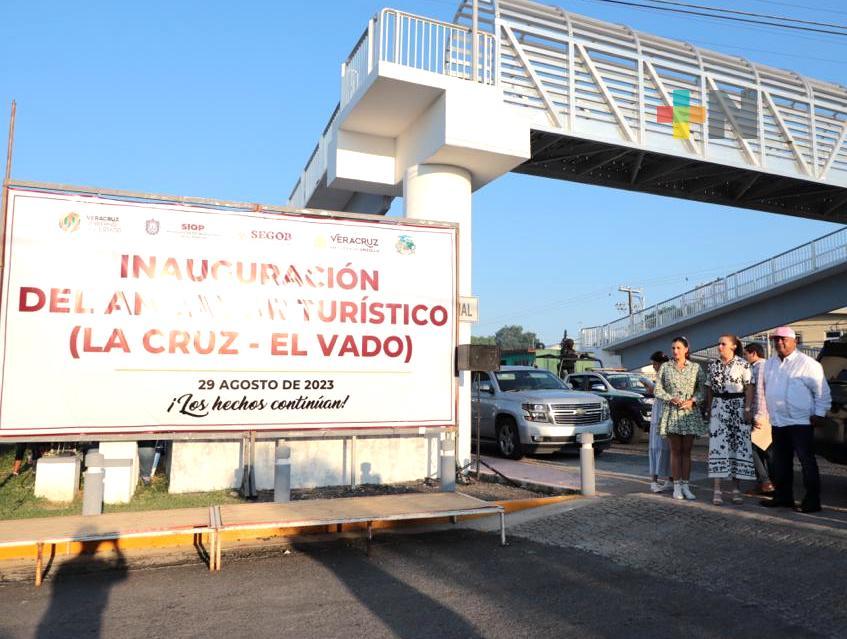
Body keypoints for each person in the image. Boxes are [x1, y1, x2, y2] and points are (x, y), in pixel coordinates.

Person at [760, 327, 831, 513]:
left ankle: (812, 501)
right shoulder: (770, 364)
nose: (779, 342)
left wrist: (820, 413)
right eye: (776, 339)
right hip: (778, 421)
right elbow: (765, 388)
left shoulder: (808, 363)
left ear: (795, 341)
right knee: (781, 462)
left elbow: (822, 392)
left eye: (783, 339)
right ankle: (783, 497)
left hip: (801, 422)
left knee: (806, 462)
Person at [654, 336, 707, 500]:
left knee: (687, 451)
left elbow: (702, 390)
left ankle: (686, 486)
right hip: (672, 412)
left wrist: (693, 401)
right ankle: (676, 486)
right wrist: (671, 398)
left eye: (678, 348)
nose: (675, 351)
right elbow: (657, 390)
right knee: (675, 451)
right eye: (673, 348)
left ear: (686, 349)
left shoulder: (696, 368)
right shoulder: (666, 367)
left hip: (689, 413)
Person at [704, 335, 755, 505]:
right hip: (719, 408)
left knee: (736, 447)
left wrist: (747, 409)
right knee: (717, 448)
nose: (719, 346)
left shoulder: (743, 364)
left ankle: (735, 490)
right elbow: (709, 388)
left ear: (733, 346)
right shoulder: (713, 365)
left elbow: (749, 388)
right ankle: (717, 489)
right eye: (718, 343)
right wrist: (709, 409)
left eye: (723, 344)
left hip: (737, 408)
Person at [744, 342, 775, 495]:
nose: (745, 357)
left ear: (754, 353)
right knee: (764, 450)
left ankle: (766, 482)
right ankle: (768, 484)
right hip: (767, 415)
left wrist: (756, 415)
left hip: (761, 414)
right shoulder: (765, 366)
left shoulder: (759, 367)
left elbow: (760, 393)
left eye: (746, 354)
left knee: (754, 449)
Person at [644, 351, 673, 492]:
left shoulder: (669, 375)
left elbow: (665, 393)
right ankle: (654, 481)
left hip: (666, 411)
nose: (654, 367)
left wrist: (653, 389)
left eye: (656, 364)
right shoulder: (662, 375)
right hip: (659, 411)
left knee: (667, 446)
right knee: (656, 445)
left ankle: (669, 479)